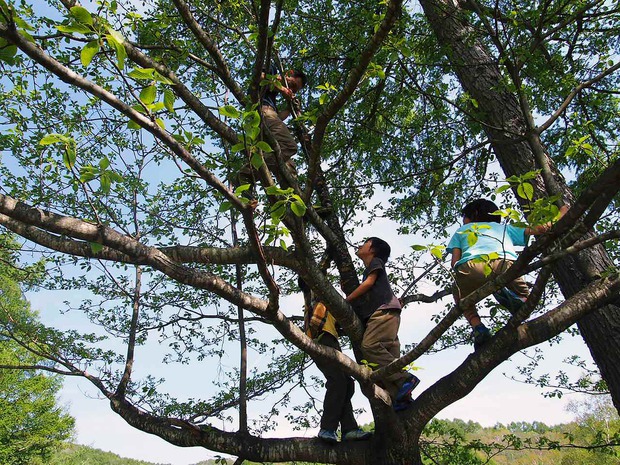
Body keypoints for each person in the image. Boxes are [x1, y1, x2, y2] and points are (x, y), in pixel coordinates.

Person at [446, 198, 568, 349]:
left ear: (474, 214)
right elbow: (542, 228)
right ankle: (516, 297)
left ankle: (478, 327)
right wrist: (562, 213)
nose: (463, 220)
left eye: (464, 216)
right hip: (504, 264)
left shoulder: (462, 231)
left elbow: (454, 263)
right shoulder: (504, 228)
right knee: (524, 296)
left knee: (461, 296)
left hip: (471, 268)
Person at [345, 237, 420, 412]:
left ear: (372, 249)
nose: (360, 245)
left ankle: (405, 379)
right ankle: (401, 398)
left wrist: (346, 300)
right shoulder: (371, 267)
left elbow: (369, 283)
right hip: (387, 315)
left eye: (364, 243)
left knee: (370, 346)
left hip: (383, 313)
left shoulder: (376, 262)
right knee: (387, 357)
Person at [299, 278, 372, 444]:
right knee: (338, 382)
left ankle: (349, 429)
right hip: (322, 341)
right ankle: (327, 428)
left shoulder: (326, 303)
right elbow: (316, 321)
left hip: (331, 341)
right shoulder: (316, 299)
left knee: (346, 383)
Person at [240, 65, 307, 185]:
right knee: (288, 146)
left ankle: (287, 197)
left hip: (266, 115)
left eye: (294, 90)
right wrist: (282, 89)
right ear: (289, 73)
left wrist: (289, 108)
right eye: (292, 85)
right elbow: (259, 77)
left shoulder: (271, 97)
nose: (291, 89)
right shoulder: (272, 69)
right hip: (261, 111)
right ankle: (247, 173)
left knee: (289, 167)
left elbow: (277, 119)